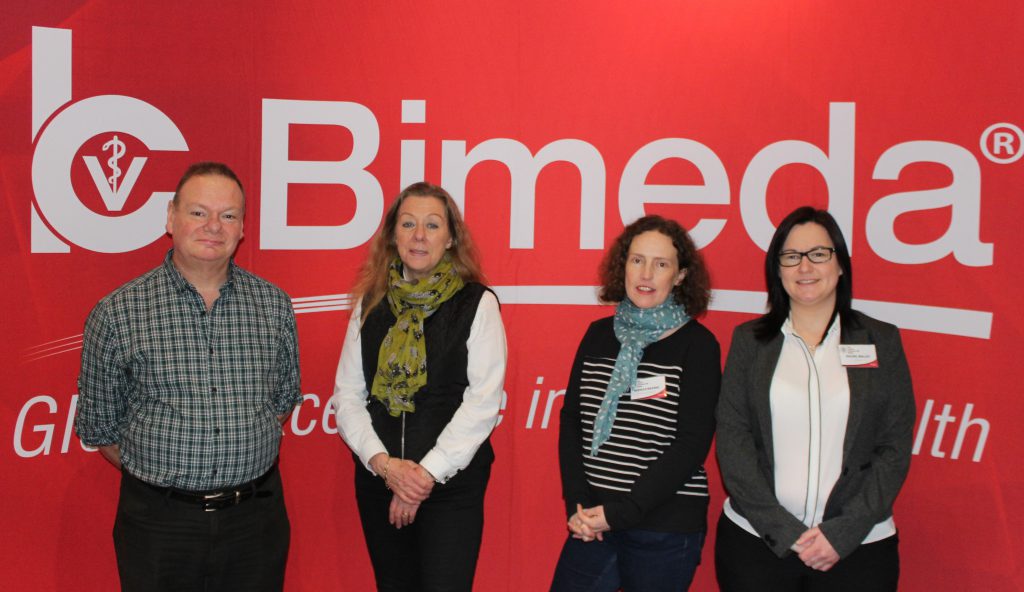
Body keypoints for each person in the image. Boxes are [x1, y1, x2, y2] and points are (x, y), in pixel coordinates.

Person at [75, 161, 301, 591]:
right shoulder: (118, 313)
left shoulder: (274, 306)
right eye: (199, 212)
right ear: (170, 218)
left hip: (256, 520)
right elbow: (100, 428)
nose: (213, 226)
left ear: (242, 229)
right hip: (159, 525)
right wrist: (168, 479)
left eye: (228, 215)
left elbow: (283, 399)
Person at [715, 206, 915, 591]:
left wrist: (843, 533)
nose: (804, 267)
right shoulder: (749, 341)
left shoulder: (881, 341)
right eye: (791, 257)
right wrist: (783, 530)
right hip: (757, 546)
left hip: (859, 548)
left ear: (840, 264)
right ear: (778, 269)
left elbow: (893, 447)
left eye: (818, 254)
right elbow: (733, 440)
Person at [331, 181, 507, 592]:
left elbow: (482, 401)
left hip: (450, 490)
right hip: (380, 481)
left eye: (432, 225)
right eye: (408, 224)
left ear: (450, 239)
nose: (419, 235)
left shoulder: (478, 303)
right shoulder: (369, 302)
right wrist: (386, 467)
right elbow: (348, 395)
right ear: (393, 235)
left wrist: (423, 476)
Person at [551, 215, 721, 592]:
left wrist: (621, 513)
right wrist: (578, 504)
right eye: (637, 260)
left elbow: (691, 445)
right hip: (593, 520)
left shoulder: (699, 346)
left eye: (661, 264)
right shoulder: (597, 336)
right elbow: (573, 421)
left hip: (664, 529)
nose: (646, 273)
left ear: (679, 276)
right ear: (623, 265)